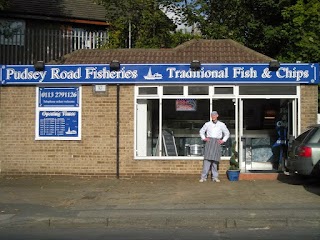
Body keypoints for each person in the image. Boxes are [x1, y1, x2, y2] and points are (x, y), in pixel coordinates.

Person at [199, 111, 230, 183]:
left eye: (214, 115)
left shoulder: (221, 124)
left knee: (215, 161)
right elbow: (201, 131)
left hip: (217, 142)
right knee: (207, 160)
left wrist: (223, 140)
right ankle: (203, 177)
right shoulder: (207, 124)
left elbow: (227, 133)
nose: (213, 116)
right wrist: (204, 138)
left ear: (217, 115)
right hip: (209, 142)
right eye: (212, 115)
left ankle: (215, 177)